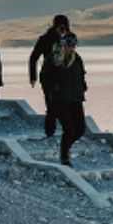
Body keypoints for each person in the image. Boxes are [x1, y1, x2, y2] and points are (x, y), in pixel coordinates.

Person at [29, 15, 70, 136]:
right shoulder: (45, 39)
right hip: (49, 76)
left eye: (65, 28)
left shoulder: (68, 39)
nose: (63, 30)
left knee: (65, 104)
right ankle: (49, 132)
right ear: (55, 27)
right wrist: (33, 77)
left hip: (64, 77)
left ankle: (66, 130)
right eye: (61, 28)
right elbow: (33, 58)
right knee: (51, 104)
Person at [51, 33, 88, 167]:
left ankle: (65, 148)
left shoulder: (77, 59)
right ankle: (64, 156)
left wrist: (82, 87)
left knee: (80, 129)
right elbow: (46, 77)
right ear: (63, 45)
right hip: (61, 100)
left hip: (76, 98)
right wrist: (55, 91)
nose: (72, 48)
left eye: (74, 46)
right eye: (70, 46)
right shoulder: (54, 59)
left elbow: (81, 75)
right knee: (68, 128)